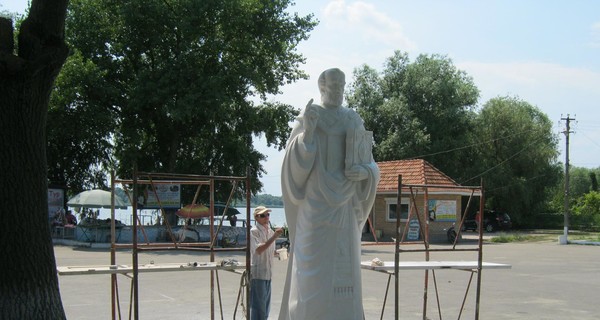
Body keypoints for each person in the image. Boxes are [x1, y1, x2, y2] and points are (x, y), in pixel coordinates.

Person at [279, 68, 380, 320]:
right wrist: (308, 135)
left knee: (344, 277)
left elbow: (370, 161)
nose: (338, 91)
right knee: (311, 276)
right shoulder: (309, 116)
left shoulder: (352, 119)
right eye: (333, 86)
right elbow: (292, 166)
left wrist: (366, 172)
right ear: (321, 87)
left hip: (345, 206)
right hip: (314, 207)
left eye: (342, 86)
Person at [250, 206, 283, 320]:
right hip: (258, 274)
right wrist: (274, 237)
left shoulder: (270, 231)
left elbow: (269, 251)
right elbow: (258, 250)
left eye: (267, 215)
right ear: (256, 218)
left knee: (266, 307)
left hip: (268, 274)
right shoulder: (254, 231)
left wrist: (279, 254)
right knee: (259, 308)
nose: (266, 217)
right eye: (263, 215)